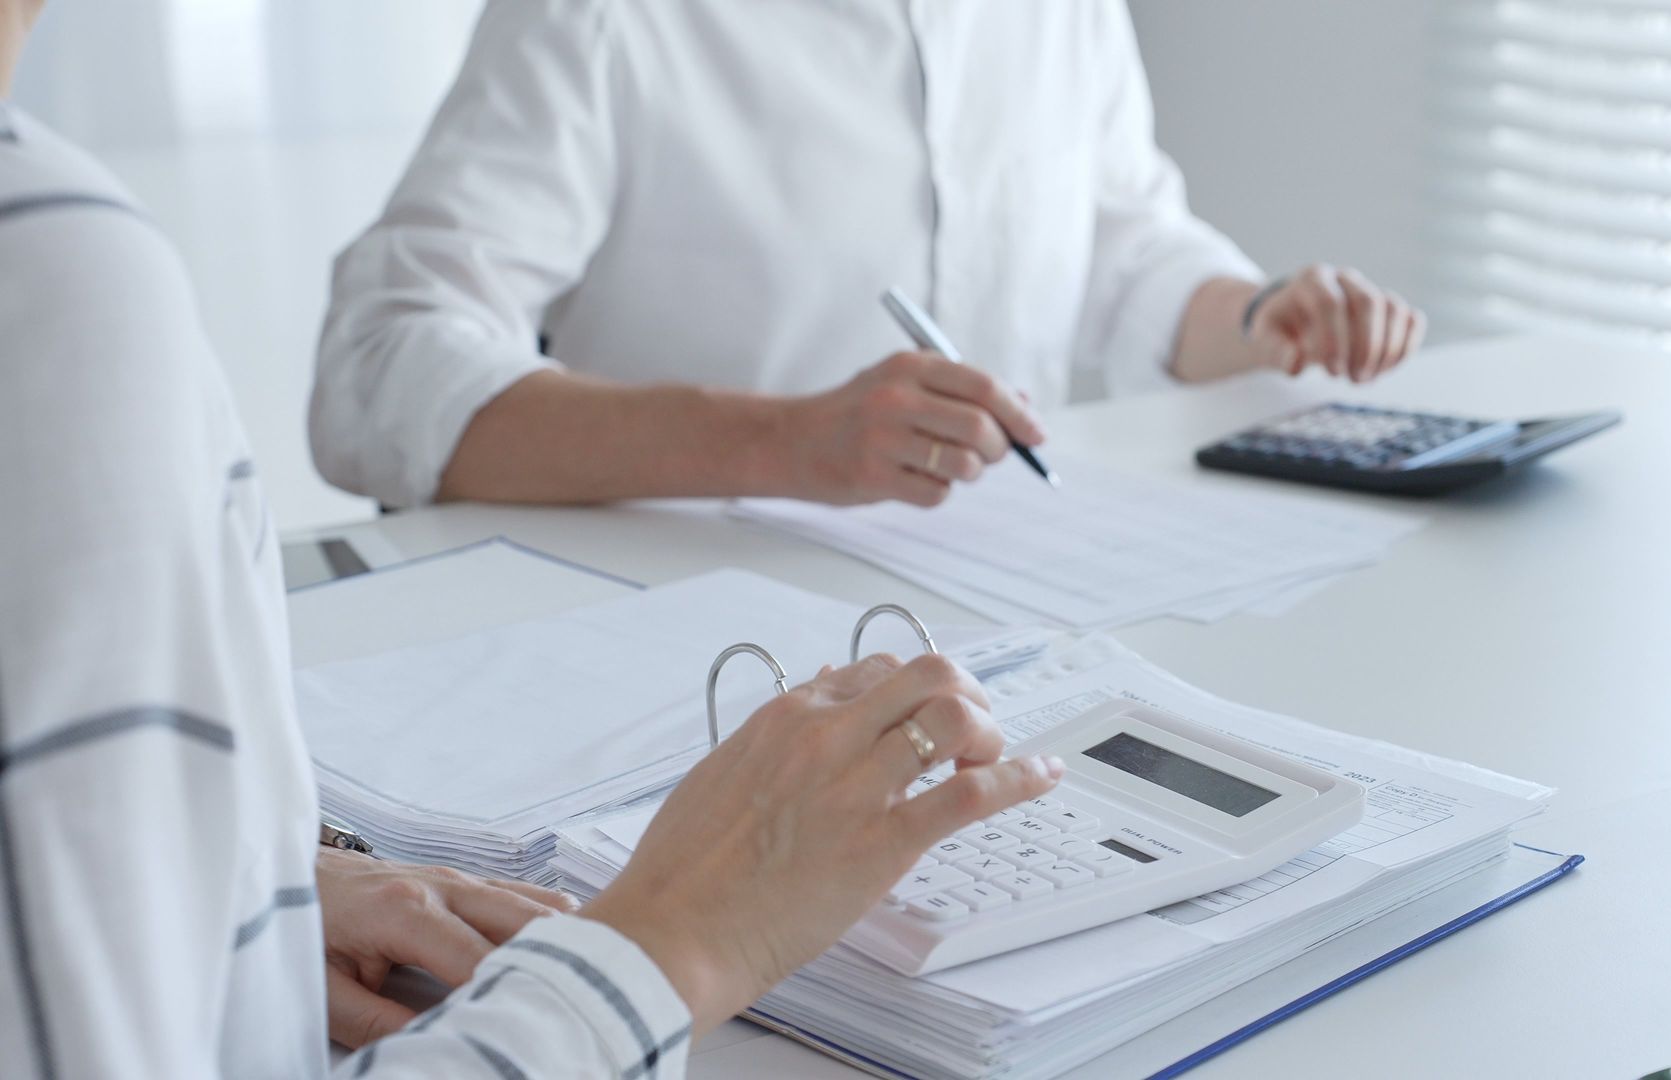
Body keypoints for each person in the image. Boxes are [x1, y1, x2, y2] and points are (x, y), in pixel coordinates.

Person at [0, 4, 1061, 1074]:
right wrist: (679, 945)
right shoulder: (44, 271)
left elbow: (1131, 242)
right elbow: (385, 369)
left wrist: (237, 879)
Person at [312, 0, 1427, 511]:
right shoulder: (601, 17)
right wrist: (787, 443)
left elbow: (1119, 245)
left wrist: (1259, 315)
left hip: (999, 623)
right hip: (684, 642)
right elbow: (379, 370)